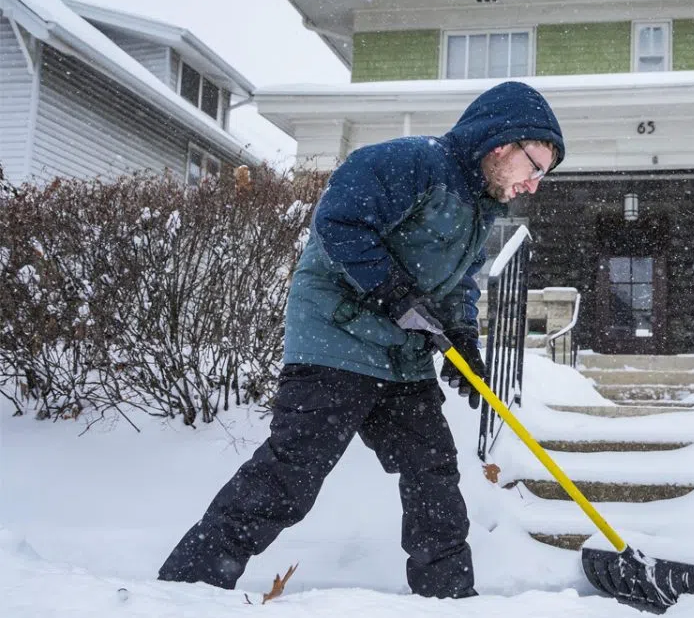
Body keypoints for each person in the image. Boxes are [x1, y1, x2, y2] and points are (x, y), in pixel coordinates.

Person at [157, 81, 565, 599]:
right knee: (292, 472)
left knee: (433, 474)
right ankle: (186, 586)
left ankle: (449, 597)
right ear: (502, 144)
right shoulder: (414, 163)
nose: (534, 184)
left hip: (402, 358)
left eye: (543, 176)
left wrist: (462, 337)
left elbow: (458, 280)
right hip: (337, 340)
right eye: (535, 167)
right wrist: (392, 293)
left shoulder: (477, 207)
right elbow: (340, 219)